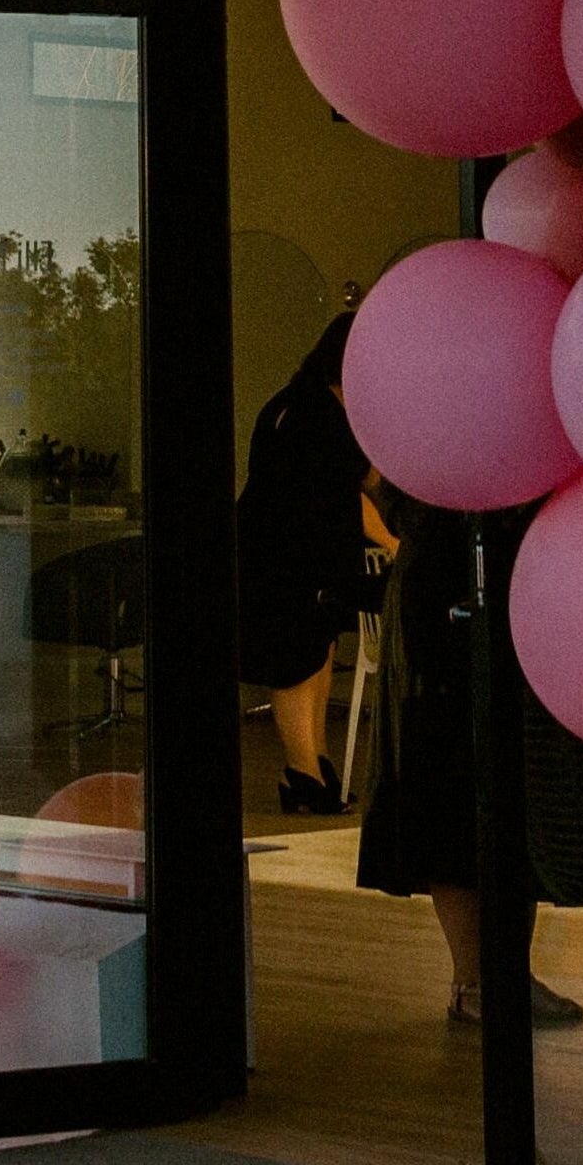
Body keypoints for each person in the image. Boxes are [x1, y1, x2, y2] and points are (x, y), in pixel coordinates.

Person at [358, 487, 583, 1027]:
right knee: (452, 794)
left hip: (513, 581)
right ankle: (477, 980)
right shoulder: (438, 483)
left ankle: (499, 976)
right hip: (450, 598)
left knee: (513, 792)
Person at [235, 314, 395, 812]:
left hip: (282, 551)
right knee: (297, 662)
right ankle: (305, 771)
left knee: (315, 655)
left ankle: (313, 764)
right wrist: (392, 541)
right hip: (287, 557)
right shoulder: (319, 413)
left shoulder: (293, 403)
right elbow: (353, 489)